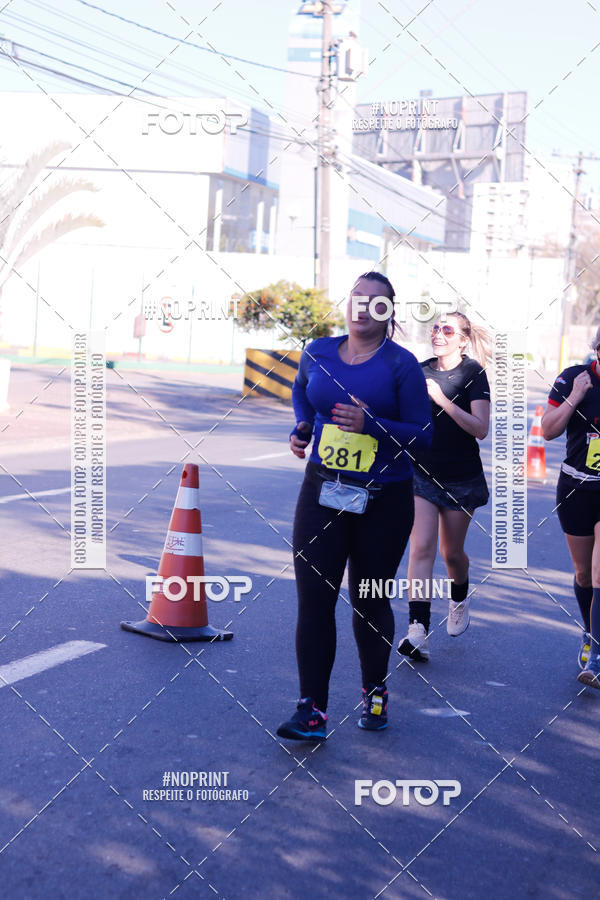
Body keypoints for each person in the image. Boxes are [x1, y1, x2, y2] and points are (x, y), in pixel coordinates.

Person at [276, 272, 432, 741]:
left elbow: (423, 436)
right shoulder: (318, 351)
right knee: (315, 601)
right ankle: (312, 710)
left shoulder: (401, 365)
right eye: (357, 299)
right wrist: (304, 426)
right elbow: (302, 390)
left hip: (383, 499)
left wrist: (372, 425)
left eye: (376, 302)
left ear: (389, 312)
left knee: (368, 600)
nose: (363, 308)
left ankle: (375, 689)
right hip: (323, 491)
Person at [397, 311, 491, 662]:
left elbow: (480, 428)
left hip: (461, 478)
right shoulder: (418, 371)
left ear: (462, 339)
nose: (438, 333)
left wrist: (442, 400)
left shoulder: (472, 373)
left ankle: (459, 595)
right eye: (435, 327)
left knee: (451, 554)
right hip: (421, 473)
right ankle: (417, 630)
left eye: (447, 329)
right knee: (421, 547)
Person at [542, 326, 600, 688]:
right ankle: (589, 629)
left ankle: (595, 651)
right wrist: (575, 397)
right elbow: (548, 430)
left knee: (599, 573)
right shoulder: (573, 379)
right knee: (582, 574)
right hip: (576, 487)